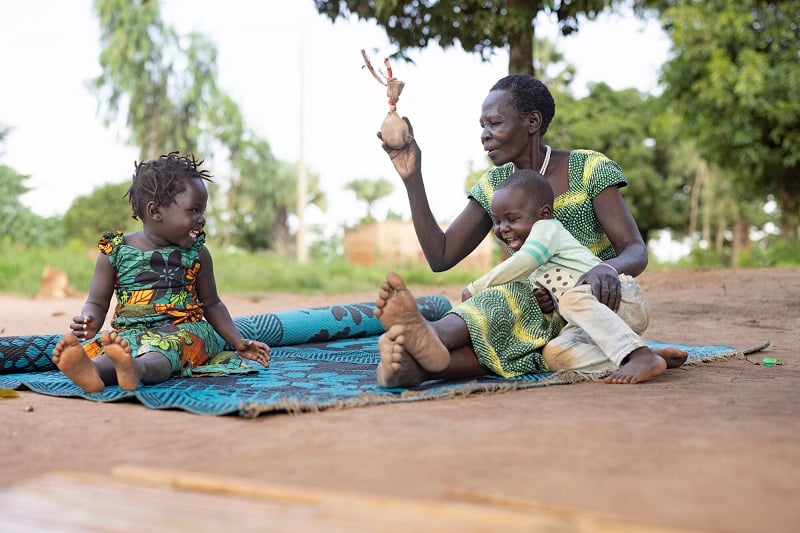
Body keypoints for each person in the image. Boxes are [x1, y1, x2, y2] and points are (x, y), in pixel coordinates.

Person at [373, 73, 674, 387]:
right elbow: (441, 256)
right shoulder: (494, 186)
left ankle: (427, 334)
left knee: (507, 296)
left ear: (532, 122)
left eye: (495, 123)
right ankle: (417, 367)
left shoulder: (588, 169)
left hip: (592, 306)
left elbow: (635, 249)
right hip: (542, 312)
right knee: (517, 309)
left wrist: (606, 269)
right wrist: (412, 177)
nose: (485, 135)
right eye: (482, 126)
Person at [51, 152, 270, 393]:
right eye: (194, 210)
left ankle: (137, 370)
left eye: (203, 211)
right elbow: (96, 301)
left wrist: (237, 341)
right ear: (155, 211)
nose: (202, 220)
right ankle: (92, 371)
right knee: (116, 349)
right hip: (133, 333)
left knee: (163, 353)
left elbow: (213, 304)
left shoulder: (197, 254)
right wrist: (90, 321)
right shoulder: (115, 251)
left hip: (185, 331)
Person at [461, 169, 686, 378]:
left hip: (619, 297)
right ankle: (637, 355)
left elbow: (526, 260)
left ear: (544, 214)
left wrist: (477, 287)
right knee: (553, 354)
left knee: (572, 298)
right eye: (498, 221)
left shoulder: (546, 229)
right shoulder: (538, 261)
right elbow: (548, 283)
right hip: (592, 323)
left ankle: (639, 357)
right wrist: (547, 299)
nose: (503, 228)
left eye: (512, 219)